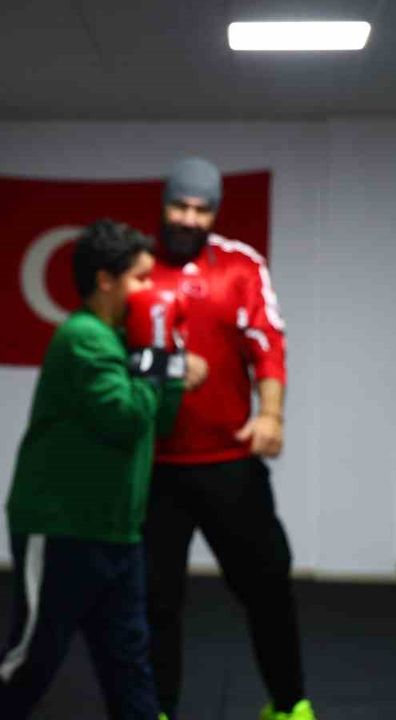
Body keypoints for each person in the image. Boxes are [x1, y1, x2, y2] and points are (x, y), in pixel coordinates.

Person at [0, 219, 190, 719]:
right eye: (140, 278)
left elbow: (161, 422)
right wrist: (156, 361)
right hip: (62, 530)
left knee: (129, 664)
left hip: (117, 532)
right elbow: (125, 418)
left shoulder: (123, 338)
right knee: (33, 659)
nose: (151, 291)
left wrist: (168, 365)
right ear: (106, 280)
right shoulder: (84, 337)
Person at [142, 157, 316, 720]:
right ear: (164, 205)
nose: (190, 219)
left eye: (202, 209)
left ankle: (289, 706)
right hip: (152, 467)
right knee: (153, 601)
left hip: (229, 462)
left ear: (215, 213)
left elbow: (268, 344)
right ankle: (155, 711)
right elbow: (108, 351)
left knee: (268, 588)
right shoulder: (135, 268)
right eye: (180, 206)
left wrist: (272, 415)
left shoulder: (240, 266)